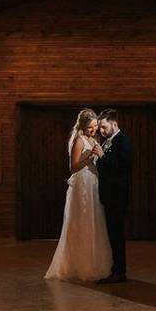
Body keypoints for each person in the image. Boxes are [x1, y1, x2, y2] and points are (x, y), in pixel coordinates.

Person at [44, 108, 113, 282]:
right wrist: (89, 157)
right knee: (81, 221)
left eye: (95, 126)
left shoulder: (94, 138)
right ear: (82, 126)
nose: (94, 129)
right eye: (90, 127)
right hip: (82, 183)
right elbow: (73, 167)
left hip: (93, 181)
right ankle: (78, 265)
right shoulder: (79, 140)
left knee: (93, 220)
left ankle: (94, 263)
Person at [94, 108, 132, 283]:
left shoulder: (123, 142)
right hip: (109, 196)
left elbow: (122, 167)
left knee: (117, 234)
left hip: (117, 196)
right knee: (112, 234)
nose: (101, 131)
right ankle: (116, 270)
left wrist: (102, 156)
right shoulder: (108, 141)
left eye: (103, 127)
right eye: (100, 128)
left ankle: (119, 272)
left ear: (114, 124)